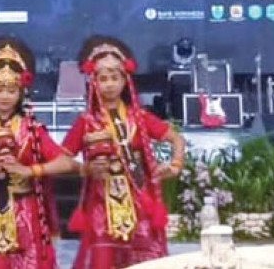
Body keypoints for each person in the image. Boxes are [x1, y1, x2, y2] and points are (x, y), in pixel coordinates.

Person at [0, 37, 76, 269]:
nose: (5, 96)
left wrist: (29, 170)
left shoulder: (33, 131)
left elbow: (66, 163)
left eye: (11, 90)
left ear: (21, 93)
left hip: (26, 212)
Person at [62, 36, 186, 269]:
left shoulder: (139, 117)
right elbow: (61, 158)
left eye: (114, 78)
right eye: (103, 78)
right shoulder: (86, 121)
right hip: (101, 203)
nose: (109, 84)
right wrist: (84, 168)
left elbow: (176, 138)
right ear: (94, 82)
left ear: (124, 80)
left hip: (139, 199)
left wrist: (175, 164)